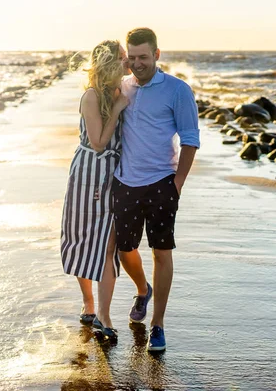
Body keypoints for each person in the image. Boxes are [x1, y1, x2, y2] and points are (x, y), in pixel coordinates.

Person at [113, 28, 200, 352]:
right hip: (125, 181)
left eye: (143, 57)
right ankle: (142, 289)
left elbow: (190, 138)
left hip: (162, 181)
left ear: (157, 55)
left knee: (162, 252)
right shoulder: (122, 87)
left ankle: (158, 324)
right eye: (131, 58)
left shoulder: (177, 90)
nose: (137, 64)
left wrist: (177, 184)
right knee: (125, 249)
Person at [60, 40, 129, 340]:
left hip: (114, 175)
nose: (128, 63)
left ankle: (105, 314)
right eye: (124, 58)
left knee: (108, 246)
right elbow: (99, 142)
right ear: (111, 63)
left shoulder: (123, 91)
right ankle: (88, 301)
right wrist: (115, 110)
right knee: (82, 240)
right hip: (88, 173)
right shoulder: (91, 96)